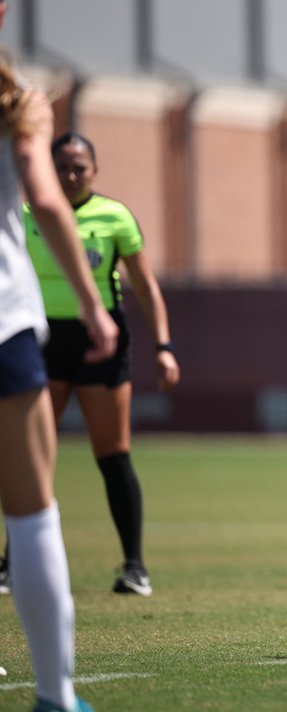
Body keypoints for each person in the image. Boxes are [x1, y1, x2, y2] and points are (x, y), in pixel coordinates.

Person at [0, 0, 119, 712]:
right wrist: (92, 304)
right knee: (33, 512)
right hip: (3, 324)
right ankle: (56, 699)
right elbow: (45, 200)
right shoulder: (19, 104)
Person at [0, 131, 179, 597]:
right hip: (43, 340)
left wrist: (164, 346)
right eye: (62, 166)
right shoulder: (26, 215)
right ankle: (11, 563)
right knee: (30, 454)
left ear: (95, 170)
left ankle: (134, 566)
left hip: (101, 341)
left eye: (80, 166)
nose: (71, 174)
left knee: (112, 454)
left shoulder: (115, 217)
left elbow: (145, 286)